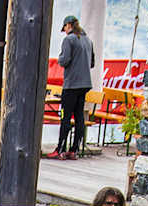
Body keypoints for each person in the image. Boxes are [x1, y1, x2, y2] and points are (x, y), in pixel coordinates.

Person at [48, 15, 95, 160]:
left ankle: (60, 149)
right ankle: (74, 150)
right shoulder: (88, 40)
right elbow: (92, 63)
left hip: (71, 84)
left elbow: (64, 60)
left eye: (65, 28)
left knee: (66, 117)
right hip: (85, 84)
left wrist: (60, 58)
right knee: (79, 116)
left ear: (68, 25)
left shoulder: (69, 39)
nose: (65, 31)